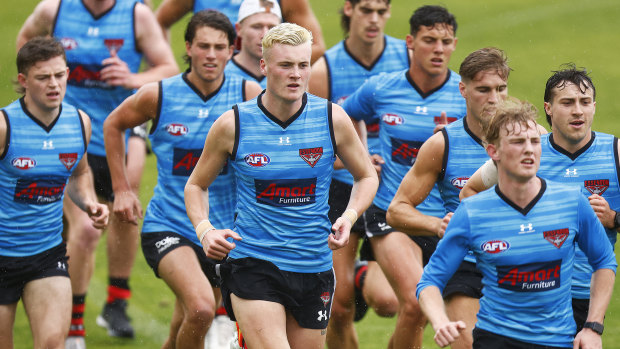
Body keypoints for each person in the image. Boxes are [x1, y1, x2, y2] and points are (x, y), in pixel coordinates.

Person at [184, 22, 378, 348]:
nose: (296, 74)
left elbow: (367, 175)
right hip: (253, 263)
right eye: (285, 65)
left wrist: (348, 216)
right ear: (264, 66)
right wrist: (205, 230)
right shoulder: (233, 124)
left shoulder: (332, 119)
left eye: (303, 65)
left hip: (313, 264)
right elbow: (196, 185)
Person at [16, 0, 179, 345]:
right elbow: (26, 43)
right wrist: (37, 93)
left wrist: (132, 78)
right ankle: (74, 323)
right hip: (71, 132)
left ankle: (116, 302)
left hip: (120, 128)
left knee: (127, 207)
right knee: (87, 232)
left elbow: (167, 68)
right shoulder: (54, 9)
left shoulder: (136, 14)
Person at [104, 10, 261, 348]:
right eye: (203, 45)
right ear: (188, 47)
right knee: (203, 308)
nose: (211, 55)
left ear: (233, 49)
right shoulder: (157, 95)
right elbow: (113, 124)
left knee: (183, 322)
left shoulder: (249, 94)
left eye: (220, 47)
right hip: (170, 224)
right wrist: (122, 189)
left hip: (225, 232)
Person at [417, 98, 617, 349]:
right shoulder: (471, 212)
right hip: (495, 340)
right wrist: (439, 321)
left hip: (557, 341)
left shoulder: (572, 203)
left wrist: (593, 327)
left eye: (534, 141)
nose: (529, 149)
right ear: (493, 152)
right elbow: (430, 281)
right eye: (517, 142)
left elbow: (604, 261)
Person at [461, 64, 620, 335]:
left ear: (594, 106)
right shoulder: (527, 149)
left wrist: (615, 218)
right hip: (525, 291)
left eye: (584, 102)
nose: (578, 111)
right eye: (567, 103)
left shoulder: (614, 152)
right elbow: (470, 191)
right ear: (548, 108)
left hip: (585, 294)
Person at [342, 5, 464, 348]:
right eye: (429, 40)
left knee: (424, 312)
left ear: (454, 45)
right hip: (391, 211)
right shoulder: (381, 89)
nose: (438, 49)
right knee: (413, 303)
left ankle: (366, 275)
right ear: (411, 42)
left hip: (449, 217)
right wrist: (361, 159)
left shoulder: (466, 94)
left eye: (445, 41)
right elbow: (343, 117)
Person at [385, 47, 511, 349]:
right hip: (464, 264)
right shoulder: (442, 144)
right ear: (463, 90)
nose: (493, 98)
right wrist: (437, 225)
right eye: (483, 89)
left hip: (516, 260)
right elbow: (396, 211)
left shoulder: (530, 139)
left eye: (500, 89)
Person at [307, 0, 409, 347]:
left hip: (393, 190)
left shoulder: (408, 59)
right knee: (336, 306)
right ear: (348, 9)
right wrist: (353, 162)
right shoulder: (324, 70)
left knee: (389, 302)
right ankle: (352, 280)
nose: (375, 19)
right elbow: (313, 144)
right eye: (367, 10)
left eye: (382, 11)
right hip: (339, 190)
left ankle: (363, 274)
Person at [0, 37, 109, 349]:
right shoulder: (5, 126)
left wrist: (89, 202)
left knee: (52, 343)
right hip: (1, 254)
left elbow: (79, 173)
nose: (54, 84)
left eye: (60, 75)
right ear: (23, 81)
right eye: (43, 77)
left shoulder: (79, 123)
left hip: (46, 253)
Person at [156, 0, 326, 63]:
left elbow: (316, 47)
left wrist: (275, 64)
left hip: (267, 88)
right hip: (208, 86)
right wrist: (164, 67)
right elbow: (159, 23)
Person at [224, 0, 282, 88]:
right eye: (257, 27)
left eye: (272, 28)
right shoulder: (221, 75)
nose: (265, 35)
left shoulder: (289, 74)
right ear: (239, 29)